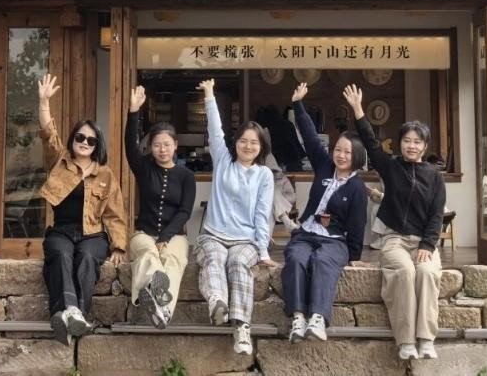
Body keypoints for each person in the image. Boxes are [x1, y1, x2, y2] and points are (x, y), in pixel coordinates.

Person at [344, 84, 446, 361]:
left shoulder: (434, 176)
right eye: (407, 141)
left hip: (423, 242)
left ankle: (426, 339)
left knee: (426, 273)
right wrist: (358, 109)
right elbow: (370, 142)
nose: (411, 146)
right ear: (400, 143)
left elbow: (436, 214)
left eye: (417, 142)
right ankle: (406, 341)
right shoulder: (391, 167)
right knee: (404, 271)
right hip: (394, 240)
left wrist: (428, 244)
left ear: (425, 146)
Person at [37, 74, 128, 346]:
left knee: (87, 258)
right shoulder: (59, 160)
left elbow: (114, 213)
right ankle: (72, 311)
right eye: (80, 137)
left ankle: (70, 313)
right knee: (60, 254)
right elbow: (48, 134)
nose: (85, 143)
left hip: (93, 234)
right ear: (72, 139)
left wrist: (119, 247)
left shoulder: (105, 174)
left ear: (97, 146)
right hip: (62, 231)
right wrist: (44, 102)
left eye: (91, 140)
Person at [282, 82, 369, 343]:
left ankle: (318, 319)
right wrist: (298, 105)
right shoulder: (323, 165)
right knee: (296, 257)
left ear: (357, 156)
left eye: (347, 152)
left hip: (335, 240)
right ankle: (298, 317)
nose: (341, 155)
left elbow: (357, 224)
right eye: (338, 150)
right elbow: (309, 136)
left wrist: (354, 256)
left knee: (322, 261)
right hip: (306, 232)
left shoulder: (357, 187)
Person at [195, 78, 276, 356]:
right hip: (213, 235)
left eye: (254, 142)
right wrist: (209, 95)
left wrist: (263, 250)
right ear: (235, 142)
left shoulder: (264, 175)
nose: (248, 146)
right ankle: (217, 303)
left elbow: (262, 214)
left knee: (238, 261)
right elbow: (215, 130)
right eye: (243, 141)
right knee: (214, 256)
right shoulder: (223, 161)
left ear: (261, 146)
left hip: (245, 240)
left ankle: (241, 327)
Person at [125, 85, 196, 328]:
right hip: (143, 233)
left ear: (175, 145)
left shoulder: (186, 176)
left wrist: (165, 237)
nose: (162, 149)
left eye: (167, 144)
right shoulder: (144, 168)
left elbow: (185, 211)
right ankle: (162, 304)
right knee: (149, 254)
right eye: (157, 145)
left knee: (172, 258)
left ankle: (160, 308)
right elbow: (130, 146)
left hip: (175, 235)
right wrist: (133, 112)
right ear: (151, 147)